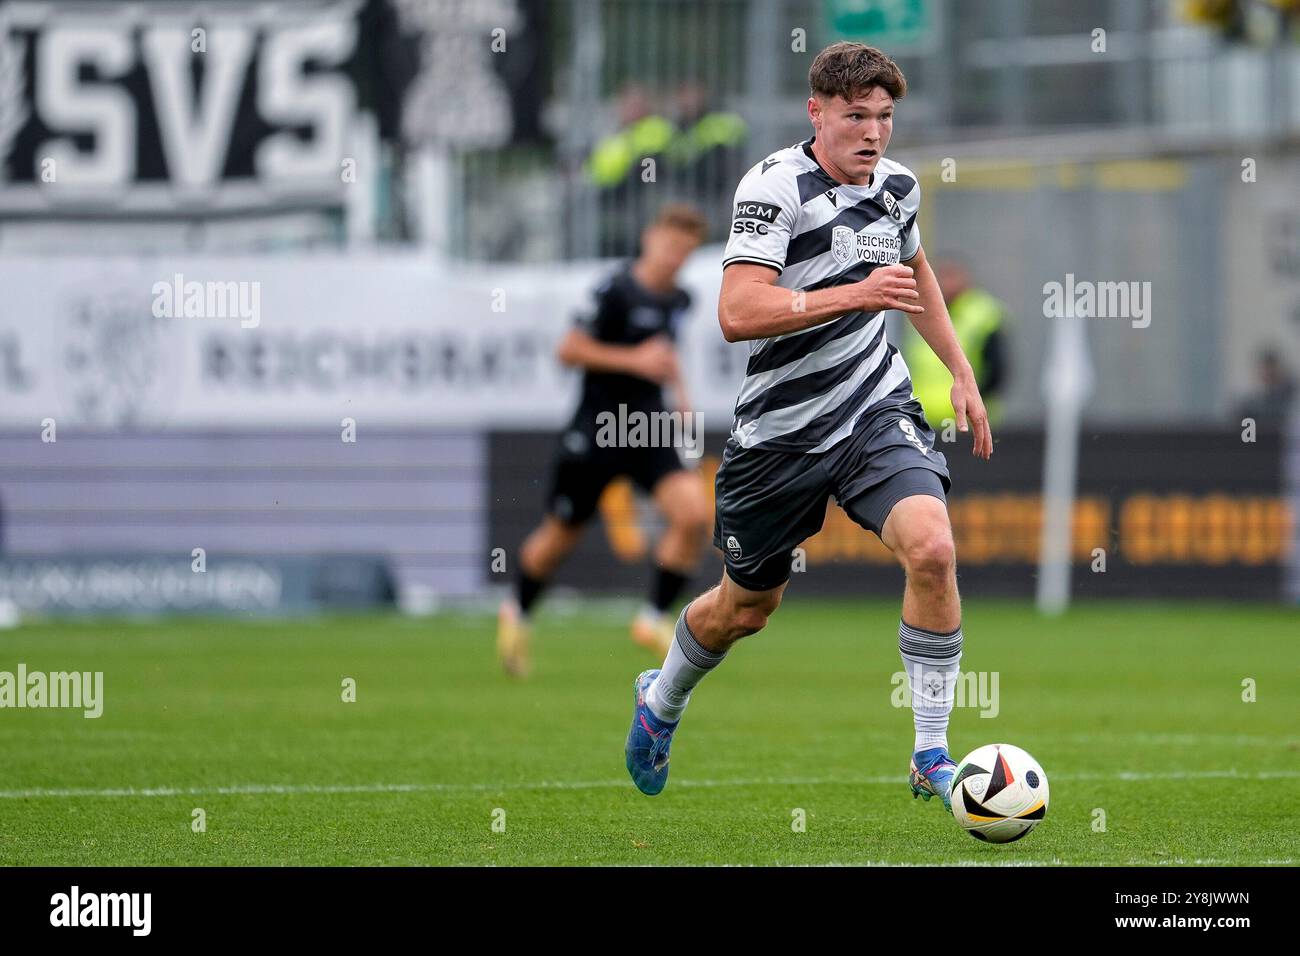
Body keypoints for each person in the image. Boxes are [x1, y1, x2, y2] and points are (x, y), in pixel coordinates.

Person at [624, 43, 994, 814]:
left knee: (932, 547)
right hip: (781, 437)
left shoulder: (898, 187)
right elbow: (737, 312)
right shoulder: (772, 187)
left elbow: (913, 273)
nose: (874, 133)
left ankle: (930, 752)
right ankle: (662, 698)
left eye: (885, 116)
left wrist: (958, 369)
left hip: (872, 410)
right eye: (856, 115)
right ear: (816, 111)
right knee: (744, 610)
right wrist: (853, 295)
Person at [498, 204, 713, 678]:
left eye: (687, 250)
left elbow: (666, 355)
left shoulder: (680, 300)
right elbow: (569, 349)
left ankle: (651, 619)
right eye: (672, 245)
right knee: (559, 537)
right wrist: (633, 360)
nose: (677, 257)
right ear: (650, 237)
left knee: (694, 516)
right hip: (597, 429)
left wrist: (681, 397)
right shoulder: (612, 290)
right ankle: (516, 612)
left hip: (648, 428)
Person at [904, 256, 1008, 428]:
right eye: (942, 277)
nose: (946, 283)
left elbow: (997, 370)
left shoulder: (983, 314)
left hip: (965, 421)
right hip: (924, 416)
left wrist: (973, 404)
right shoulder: (920, 310)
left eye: (952, 276)